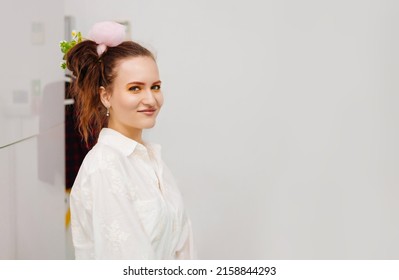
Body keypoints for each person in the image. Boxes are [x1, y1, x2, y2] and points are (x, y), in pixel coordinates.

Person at [66, 21, 195, 259]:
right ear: (105, 96)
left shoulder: (151, 160)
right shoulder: (105, 168)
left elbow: (183, 250)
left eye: (155, 87)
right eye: (135, 88)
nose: (150, 99)